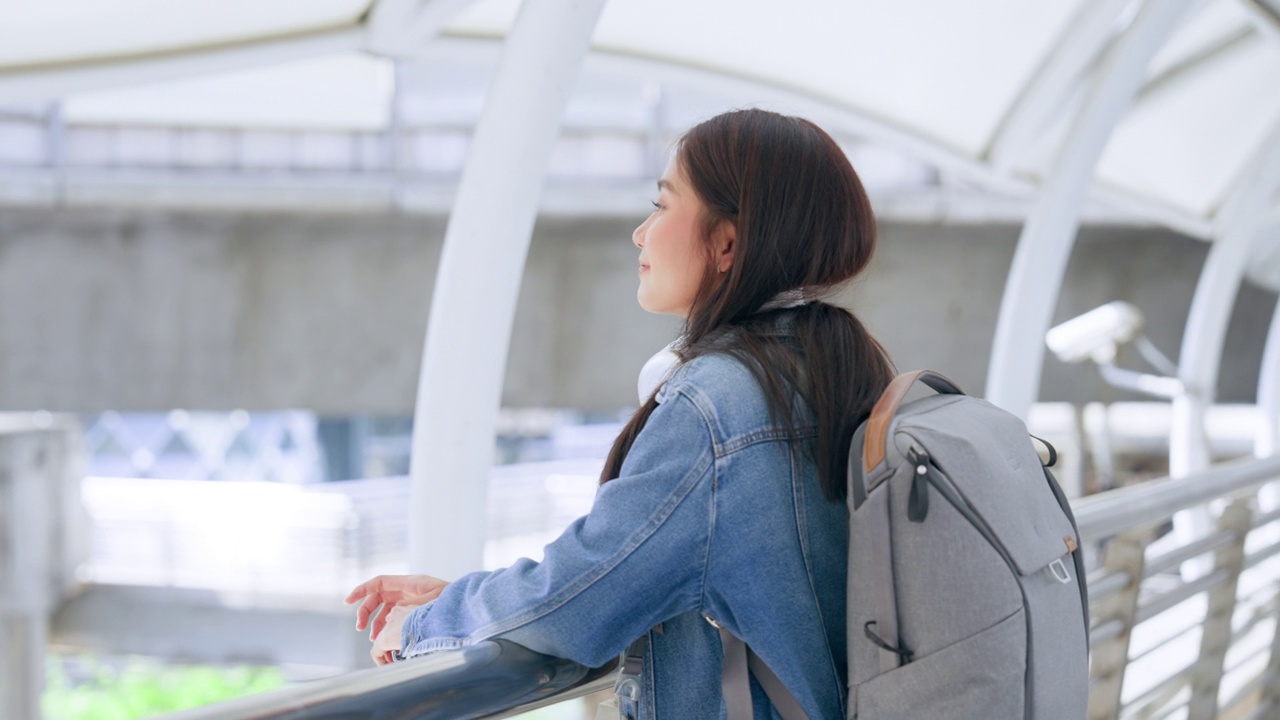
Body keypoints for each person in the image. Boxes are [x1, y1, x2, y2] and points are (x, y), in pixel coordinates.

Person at [345, 108, 895, 719]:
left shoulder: (718, 406)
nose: (641, 233)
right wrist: (468, 597)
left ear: (728, 242)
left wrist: (425, 624)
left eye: (661, 206)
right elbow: (621, 571)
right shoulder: (843, 369)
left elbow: (576, 605)